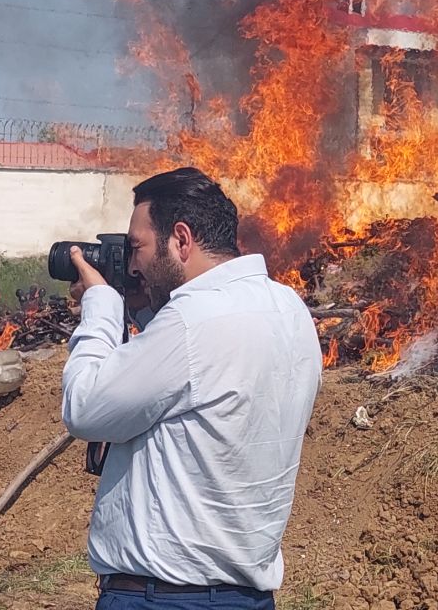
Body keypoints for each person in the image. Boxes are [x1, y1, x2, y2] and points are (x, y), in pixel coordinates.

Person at [61, 166, 322, 610]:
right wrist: (148, 316)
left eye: (138, 247)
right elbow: (194, 383)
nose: (131, 265)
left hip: (162, 598)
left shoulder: (191, 322)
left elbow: (84, 407)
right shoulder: (288, 309)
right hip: (245, 596)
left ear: (181, 239)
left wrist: (101, 304)